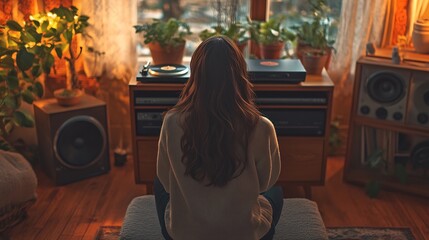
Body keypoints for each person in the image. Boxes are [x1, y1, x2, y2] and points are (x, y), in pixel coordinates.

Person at [154, 35, 283, 240]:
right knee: (276, 192)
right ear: (239, 73)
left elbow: (166, 182)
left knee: (159, 184)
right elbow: (266, 183)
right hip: (246, 235)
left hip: (183, 235)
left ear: (196, 74)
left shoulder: (171, 122)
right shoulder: (262, 126)